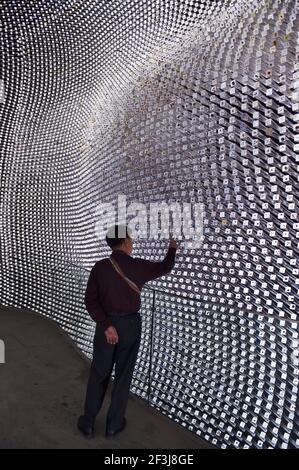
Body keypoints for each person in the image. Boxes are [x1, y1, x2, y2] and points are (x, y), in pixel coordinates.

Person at [77, 224, 178, 439]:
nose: (132, 244)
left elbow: (90, 301)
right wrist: (172, 248)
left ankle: (88, 423)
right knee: (123, 376)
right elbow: (165, 268)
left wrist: (106, 325)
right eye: (130, 240)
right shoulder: (137, 266)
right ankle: (113, 425)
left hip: (106, 327)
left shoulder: (100, 267)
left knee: (99, 373)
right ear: (124, 242)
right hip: (131, 326)